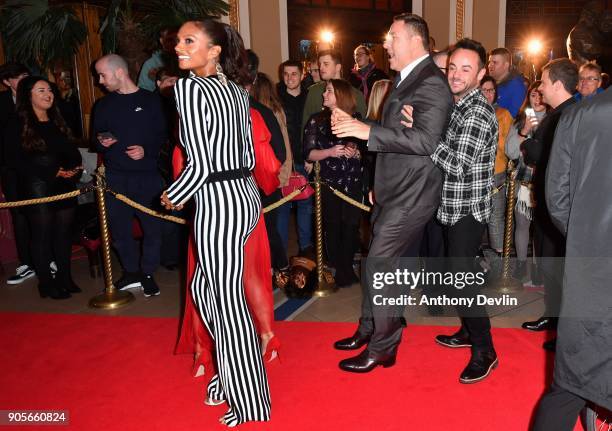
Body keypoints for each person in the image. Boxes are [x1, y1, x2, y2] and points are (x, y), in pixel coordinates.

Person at [160, 19, 270, 426]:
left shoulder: (188, 88)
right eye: (179, 40)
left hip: (217, 201)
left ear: (214, 50)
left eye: (189, 41)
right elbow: (242, 150)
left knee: (226, 304)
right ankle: (228, 376)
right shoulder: (234, 89)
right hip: (243, 197)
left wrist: (176, 193)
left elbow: (200, 162)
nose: (179, 47)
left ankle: (251, 400)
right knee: (205, 291)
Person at [331, 13, 452, 373]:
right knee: (378, 265)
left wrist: (366, 132)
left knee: (380, 266)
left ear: (415, 40)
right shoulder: (405, 79)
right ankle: (371, 329)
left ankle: (383, 346)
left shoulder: (431, 82)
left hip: (413, 193)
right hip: (392, 188)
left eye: (392, 37)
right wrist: (359, 126)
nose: (385, 44)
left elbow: (427, 141)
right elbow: (392, 134)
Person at [532, 88, 612, 431]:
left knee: (571, 385)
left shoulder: (581, 114)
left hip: (593, 264)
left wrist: (585, 236)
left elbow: (557, 198)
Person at [427, 39, 499, 383]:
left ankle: (485, 349)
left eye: (465, 69)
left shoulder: (476, 111)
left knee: (462, 280)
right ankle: (470, 331)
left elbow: (457, 164)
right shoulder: (459, 104)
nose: (456, 74)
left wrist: (426, 138)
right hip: (452, 206)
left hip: (467, 210)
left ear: (481, 73)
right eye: (452, 67)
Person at [93, 54, 167, 297]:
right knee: (120, 231)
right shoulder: (102, 105)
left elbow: (165, 138)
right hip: (115, 178)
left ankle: (147, 272)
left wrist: (147, 151)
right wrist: (105, 141)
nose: (100, 80)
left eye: (103, 74)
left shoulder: (153, 102)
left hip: (148, 176)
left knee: (153, 229)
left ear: (119, 73)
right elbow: (98, 138)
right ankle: (131, 272)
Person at [3, 76, 82, 299]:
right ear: (28, 96)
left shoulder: (58, 119)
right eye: (41, 90)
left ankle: (65, 277)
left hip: (64, 183)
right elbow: (13, 159)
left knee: (63, 234)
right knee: (42, 235)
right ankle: (46, 283)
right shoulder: (16, 122)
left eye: (49, 90)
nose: (48, 94)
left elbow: (71, 148)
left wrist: (74, 168)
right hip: (37, 185)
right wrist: (52, 171)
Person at [520, 59, 578, 343]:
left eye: (543, 82)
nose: (540, 88)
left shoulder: (566, 116)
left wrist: (527, 143)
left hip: (559, 205)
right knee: (550, 262)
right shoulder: (561, 113)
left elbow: (542, 156)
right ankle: (553, 316)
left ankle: (561, 325)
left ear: (557, 84)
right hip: (549, 201)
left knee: (558, 264)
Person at [304, 79, 364, 287]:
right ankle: (338, 267)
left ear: (341, 94)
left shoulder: (356, 119)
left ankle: (347, 267)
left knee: (351, 226)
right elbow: (309, 153)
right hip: (329, 184)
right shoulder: (316, 120)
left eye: (328, 91)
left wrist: (356, 152)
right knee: (332, 226)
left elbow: (368, 151)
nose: (324, 95)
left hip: (353, 183)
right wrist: (330, 152)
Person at [504, 81, 548, 282]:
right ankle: (521, 264)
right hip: (524, 182)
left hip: (545, 181)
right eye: (533, 95)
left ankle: (540, 269)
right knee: (522, 225)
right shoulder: (519, 121)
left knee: (542, 229)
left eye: (540, 95)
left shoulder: (553, 119)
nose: (537, 99)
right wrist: (524, 131)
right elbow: (511, 152)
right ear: (528, 98)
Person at [0, 63, 34, 285]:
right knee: (19, 215)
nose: (24, 80)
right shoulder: (1, 103)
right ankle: (27, 263)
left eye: (26, 75)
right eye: (19, 77)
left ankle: (48, 259)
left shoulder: (38, 95)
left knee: (43, 212)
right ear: (7, 81)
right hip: (10, 168)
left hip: (38, 167)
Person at [276, 60, 313, 266]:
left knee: (305, 205)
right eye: (286, 74)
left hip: (304, 160)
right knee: (283, 207)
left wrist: (309, 155)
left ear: (302, 75)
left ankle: (305, 248)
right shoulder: (277, 98)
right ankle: (281, 253)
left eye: (294, 74)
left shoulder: (309, 97)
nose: (290, 78)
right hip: (283, 162)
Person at [480, 75, 513, 255]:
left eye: (491, 90)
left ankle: (500, 269)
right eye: (483, 90)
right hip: (474, 174)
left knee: (496, 218)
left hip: (496, 172)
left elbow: (509, 146)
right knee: (475, 220)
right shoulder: (470, 111)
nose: (487, 94)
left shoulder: (503, 114)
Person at [301, 49, 367, 134]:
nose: (321, 68)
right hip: (317, 145)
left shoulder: (355, 94)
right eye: (320, 64)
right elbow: (305, 126)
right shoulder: (314, 91)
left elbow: (362, 126)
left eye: (326, 64)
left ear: (338, 67)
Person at [487, 47, 526, 117]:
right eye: (489, 62)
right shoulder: (490, 84)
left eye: (495, 62)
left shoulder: (517, 87)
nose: (490, 66)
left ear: (506, 65)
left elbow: (513, 118)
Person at [137, 27, 179, 92]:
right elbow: (143, 93)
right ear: (161, 41)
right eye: (169, 39)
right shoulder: (151, 64)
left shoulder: (190, 60)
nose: (173, 42)